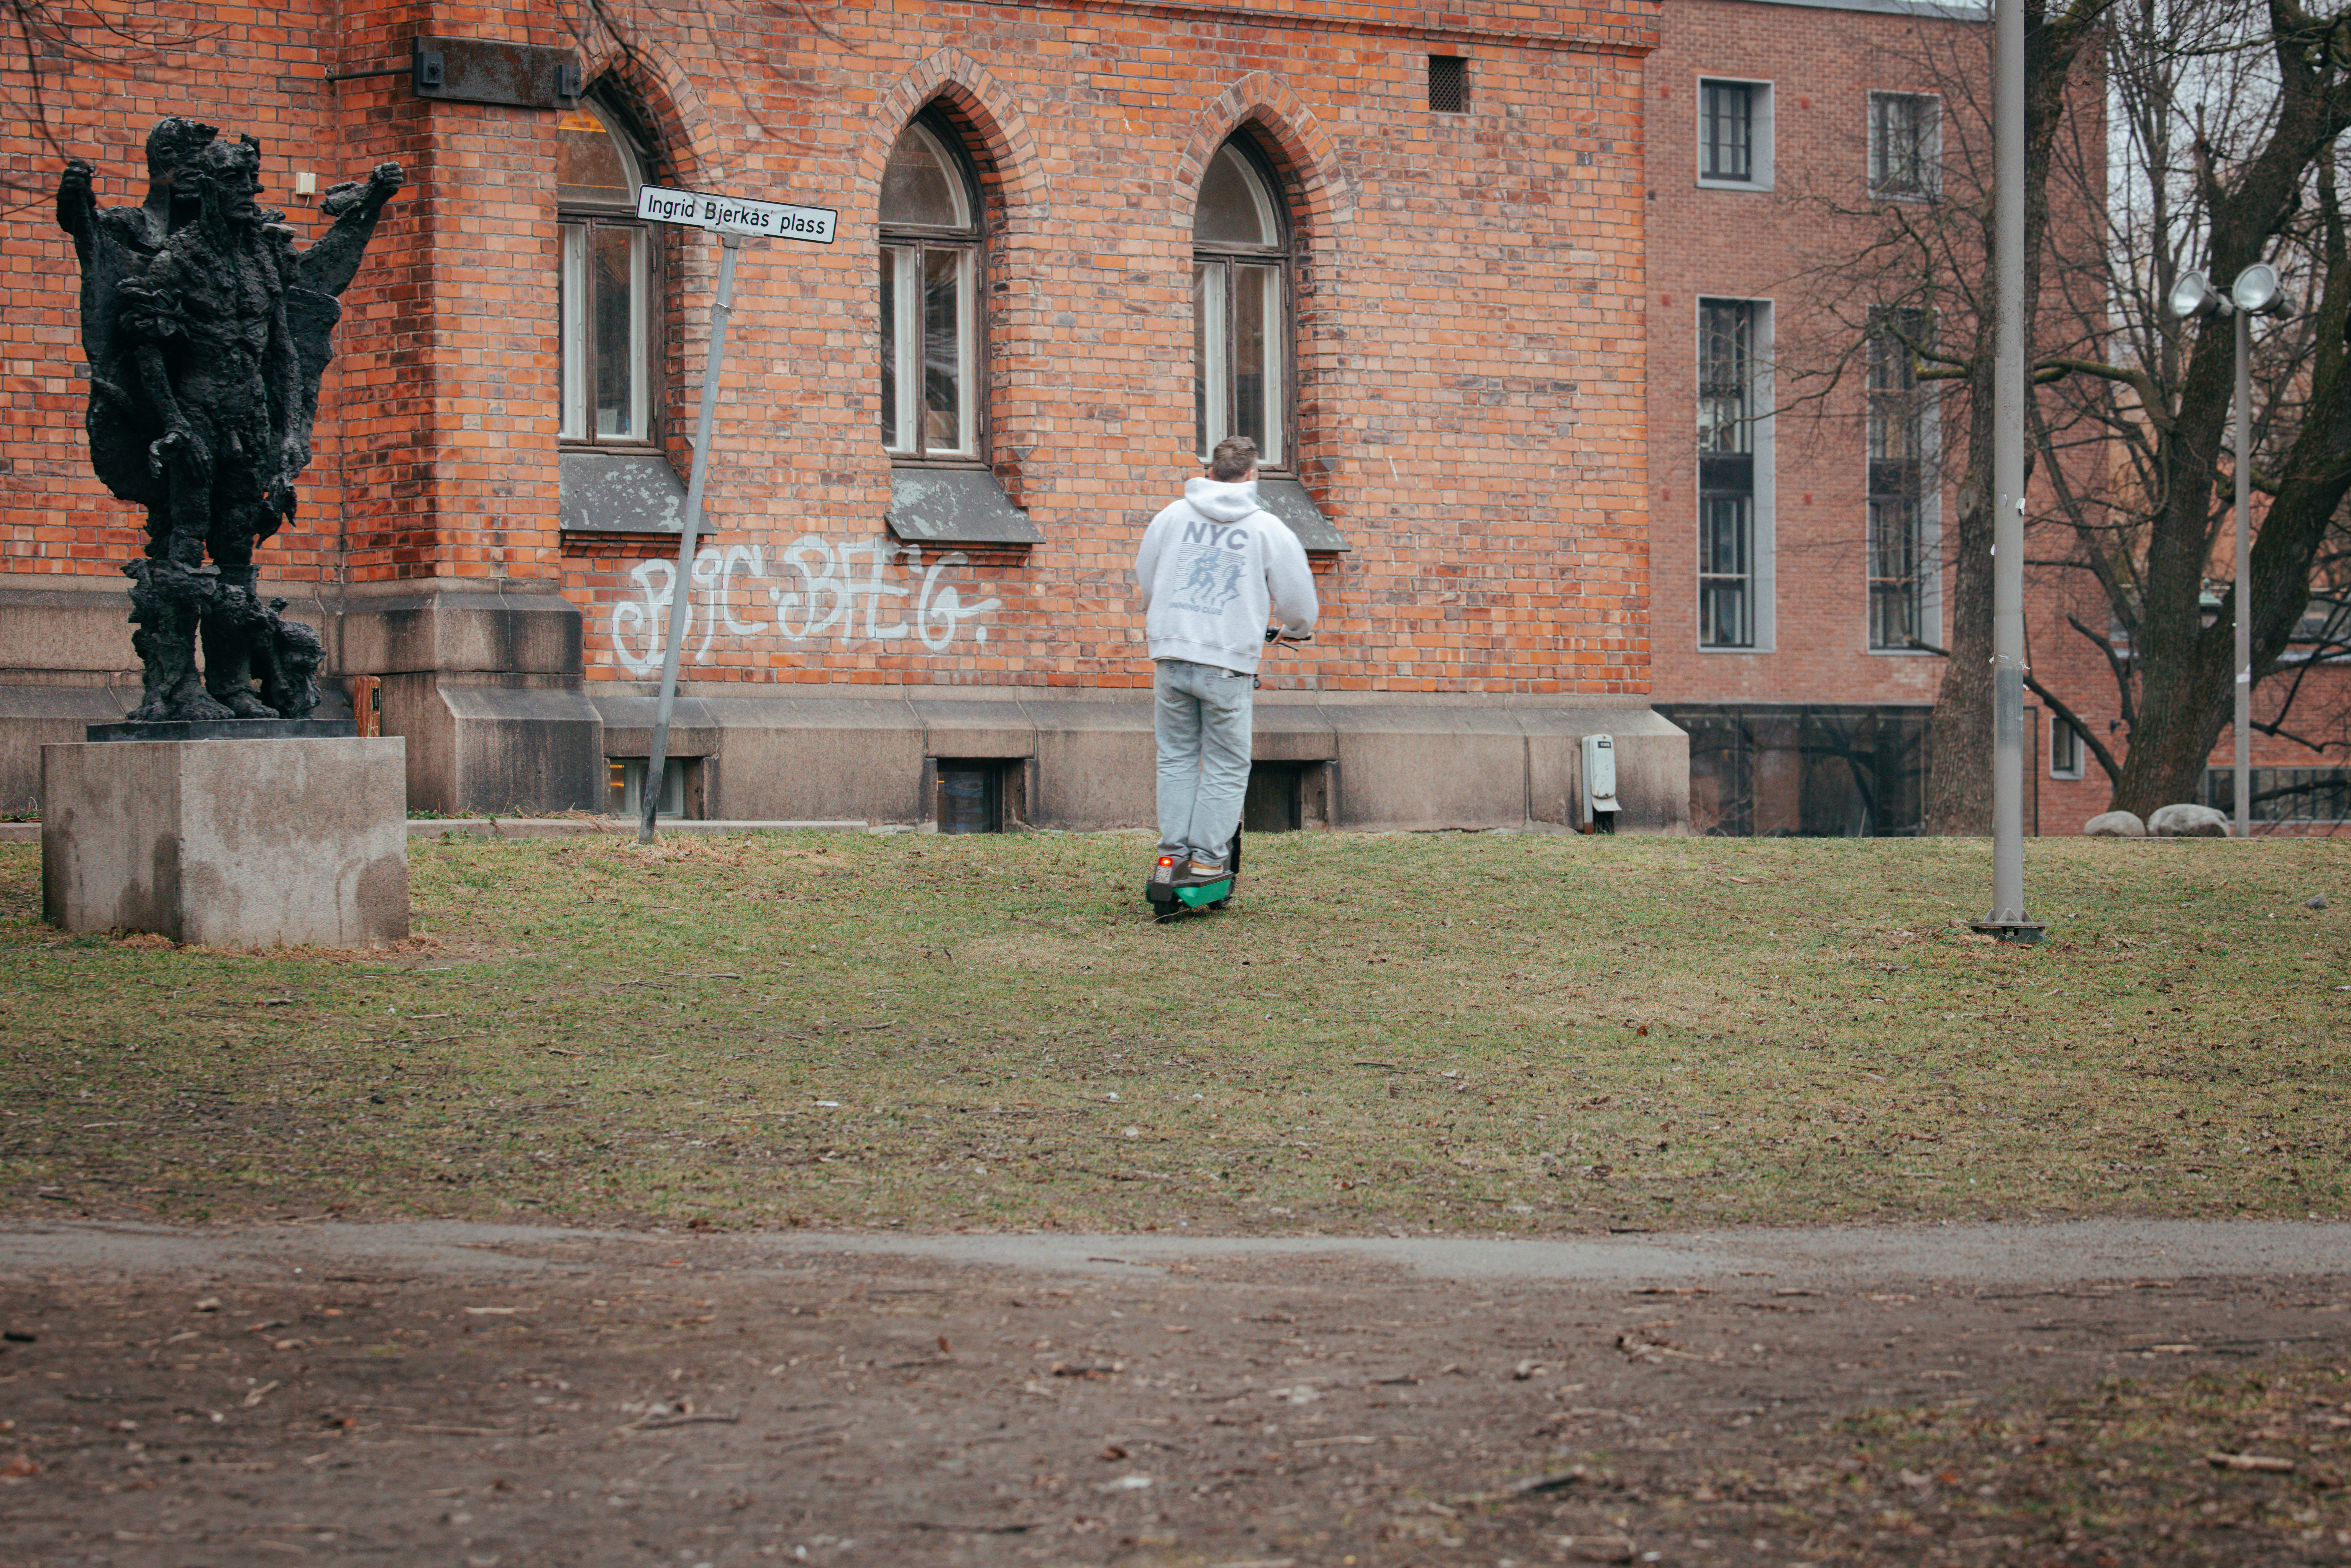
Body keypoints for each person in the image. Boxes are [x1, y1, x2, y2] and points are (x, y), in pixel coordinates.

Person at [1133, 436, 1319, 882]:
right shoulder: (1267, 529)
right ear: (1252, 476)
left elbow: (1147, 578)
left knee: (1176, 758)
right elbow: (1298, 603)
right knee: (1225, 763)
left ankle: (1171, 858)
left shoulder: (1171, 517)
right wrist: (1295, 629)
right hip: (1227, 664)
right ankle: (1207, 861)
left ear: (1209, 471)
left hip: (1173, 655)